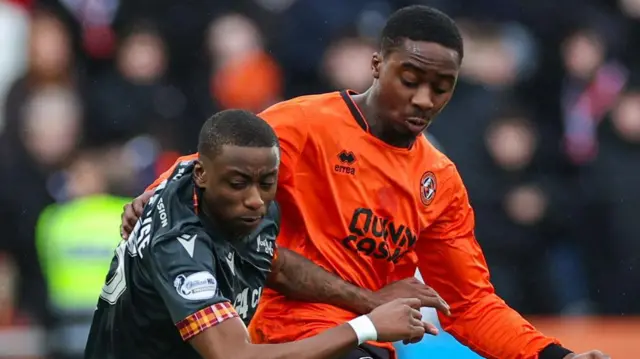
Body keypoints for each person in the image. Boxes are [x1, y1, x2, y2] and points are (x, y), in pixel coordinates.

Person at [122, 6, 610, 359]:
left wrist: (555, 357)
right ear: (378, 65)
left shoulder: (439, 181)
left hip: (371, 342)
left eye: (441, 88)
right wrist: (158, 191)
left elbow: (469, 304)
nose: (424, 99)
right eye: (410, 79)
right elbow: (214, 160)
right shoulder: (308, 124)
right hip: (291, 335)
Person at [86, 109, 435, 359]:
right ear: (203, 175)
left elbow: (276, 266)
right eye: (238, 184)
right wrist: (367, 326)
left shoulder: (226, 198)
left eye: (267, 183)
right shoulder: (179, 249)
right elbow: (233, 355)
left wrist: (370, 299)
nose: (255, 200)